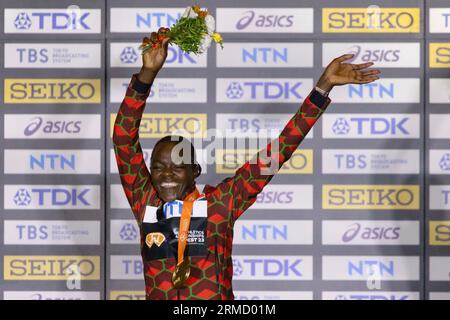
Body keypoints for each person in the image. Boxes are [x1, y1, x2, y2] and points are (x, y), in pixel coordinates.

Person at [113, 36, 380, 300]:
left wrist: (321, 91)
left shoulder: (221, 203)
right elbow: (123, 140)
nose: (166, 175)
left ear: (195, 171)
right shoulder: (144, 202)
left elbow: (278, 152)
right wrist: (147, 75)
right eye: (158, 167)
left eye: (177, 167)